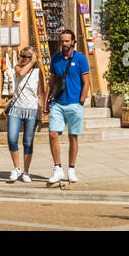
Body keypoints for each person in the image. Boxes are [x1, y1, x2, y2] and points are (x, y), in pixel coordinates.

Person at [47, 28, 90, 184]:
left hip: (74, 104)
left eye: (67, 41)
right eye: (62, 41)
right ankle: (57, 168)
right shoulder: (56, 58)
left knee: (73, 136)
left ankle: (71, 169)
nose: (64, 43)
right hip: (58, 103)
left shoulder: (80, 59)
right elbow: (51, 81)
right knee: (52, 134)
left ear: (73, 42)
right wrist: (47, 100)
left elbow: (86, 82)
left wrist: (81, 101)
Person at [6, 47, 46, 183]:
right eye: (22, 56)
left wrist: (45, 106)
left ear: (32, 58)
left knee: (28, 142)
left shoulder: (38, 72)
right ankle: (16, 167)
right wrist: (32, 61)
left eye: (25, 56)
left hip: (31, 109)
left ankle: (26, 171)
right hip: (16, 109)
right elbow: (22, 73)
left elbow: (41, 92)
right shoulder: (18, 68)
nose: (22, 58)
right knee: (12, 138)